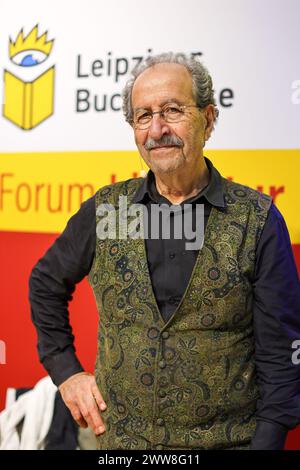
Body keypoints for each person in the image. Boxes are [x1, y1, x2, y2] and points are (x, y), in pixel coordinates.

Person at [29, 52, 300, 450]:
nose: (157, 129)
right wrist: (66, 371)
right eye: (143, 116)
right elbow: (45, 282)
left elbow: (281, 353)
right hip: (116, 444)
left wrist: (267, 441)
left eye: (172, 110)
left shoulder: (256, 220)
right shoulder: (109, 211)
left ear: (208, 119)